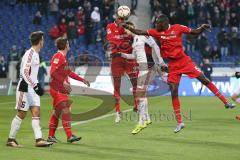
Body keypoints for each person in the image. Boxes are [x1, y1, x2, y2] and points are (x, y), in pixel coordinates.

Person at [122, 14, 235, 133]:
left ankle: (225, 102)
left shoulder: (178, 28)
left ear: (163, 23)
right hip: (173, 66)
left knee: (204, 80)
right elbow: (140, 31)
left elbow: (194, 32)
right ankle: (180, 122)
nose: (155, 25)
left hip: (185, 61)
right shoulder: (156, 32)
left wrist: (202, 27)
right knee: (174, 92)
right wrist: (128, 27)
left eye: (157, 23)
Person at [6, 31, 53, 147]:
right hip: (25, 88)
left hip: (33, 88)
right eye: (43, 39)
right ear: (40, 41)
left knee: (36, 112)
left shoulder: (36, 54)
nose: (44, 41)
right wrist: (36, 86)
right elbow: (25, 72)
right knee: (22, 113)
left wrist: (36, 86)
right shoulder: (29, 54)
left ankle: (39, 140)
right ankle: (11, 139)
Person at [120, 22, 165, 134]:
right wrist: (121, 54)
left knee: (140, 95)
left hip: (148, 67)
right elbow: (134, 56)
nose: (126, 32)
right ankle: (147, 119)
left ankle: (141, 122)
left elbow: (155, 45)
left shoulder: (142, 35)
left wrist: (160, 61)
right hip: (142, 68)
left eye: (126, 29)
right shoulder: (134, 41)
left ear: (131, 28)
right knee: (142, 95)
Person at [47, 37, 90, 143]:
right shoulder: (58, 56)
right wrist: (63, 81)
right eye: (68, 43)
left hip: (59, 88)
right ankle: (70, 136)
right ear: (65, 45)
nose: (69, 44)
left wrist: (82, 80)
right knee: (66, 110)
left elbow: (69, 72)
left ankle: (50, 136)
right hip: (58, 88)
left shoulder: (62, 57)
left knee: (56, 113)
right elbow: (52, 72)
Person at [106, 7, 138, 123]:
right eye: (121, 18)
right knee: (117, 86)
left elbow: (135, 38)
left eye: (124, 18)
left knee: (135, 82)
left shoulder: (129, 26)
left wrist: (130, 33)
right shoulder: (110, 27)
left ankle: (136, 105)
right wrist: (124, 40)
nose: (122, 20)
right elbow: (112, 42)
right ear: (117, 17)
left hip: (129, 58)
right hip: (116, 59)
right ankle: (117, 111)